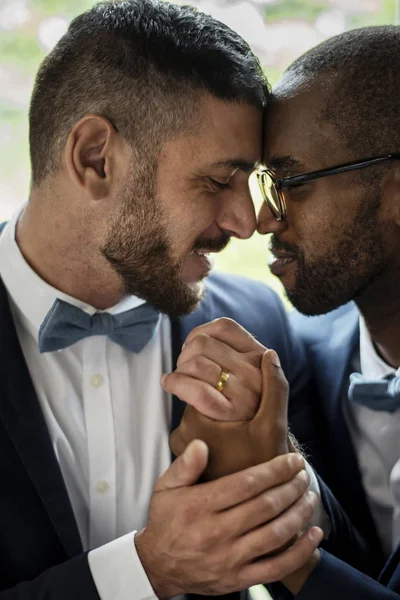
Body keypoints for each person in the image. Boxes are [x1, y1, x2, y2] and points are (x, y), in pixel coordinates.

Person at [0, 0, 322, 598]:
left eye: (250, 182)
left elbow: (346, 568)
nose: (247, 222)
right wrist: (148, 572)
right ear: (96, 158)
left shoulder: (260, 326)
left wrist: (271, 456)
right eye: (218, 180)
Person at [167, 24, 400, 600]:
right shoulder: (307, 359)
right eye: (261, 184)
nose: (263, 220)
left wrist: (261, 495)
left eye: (290, 182)